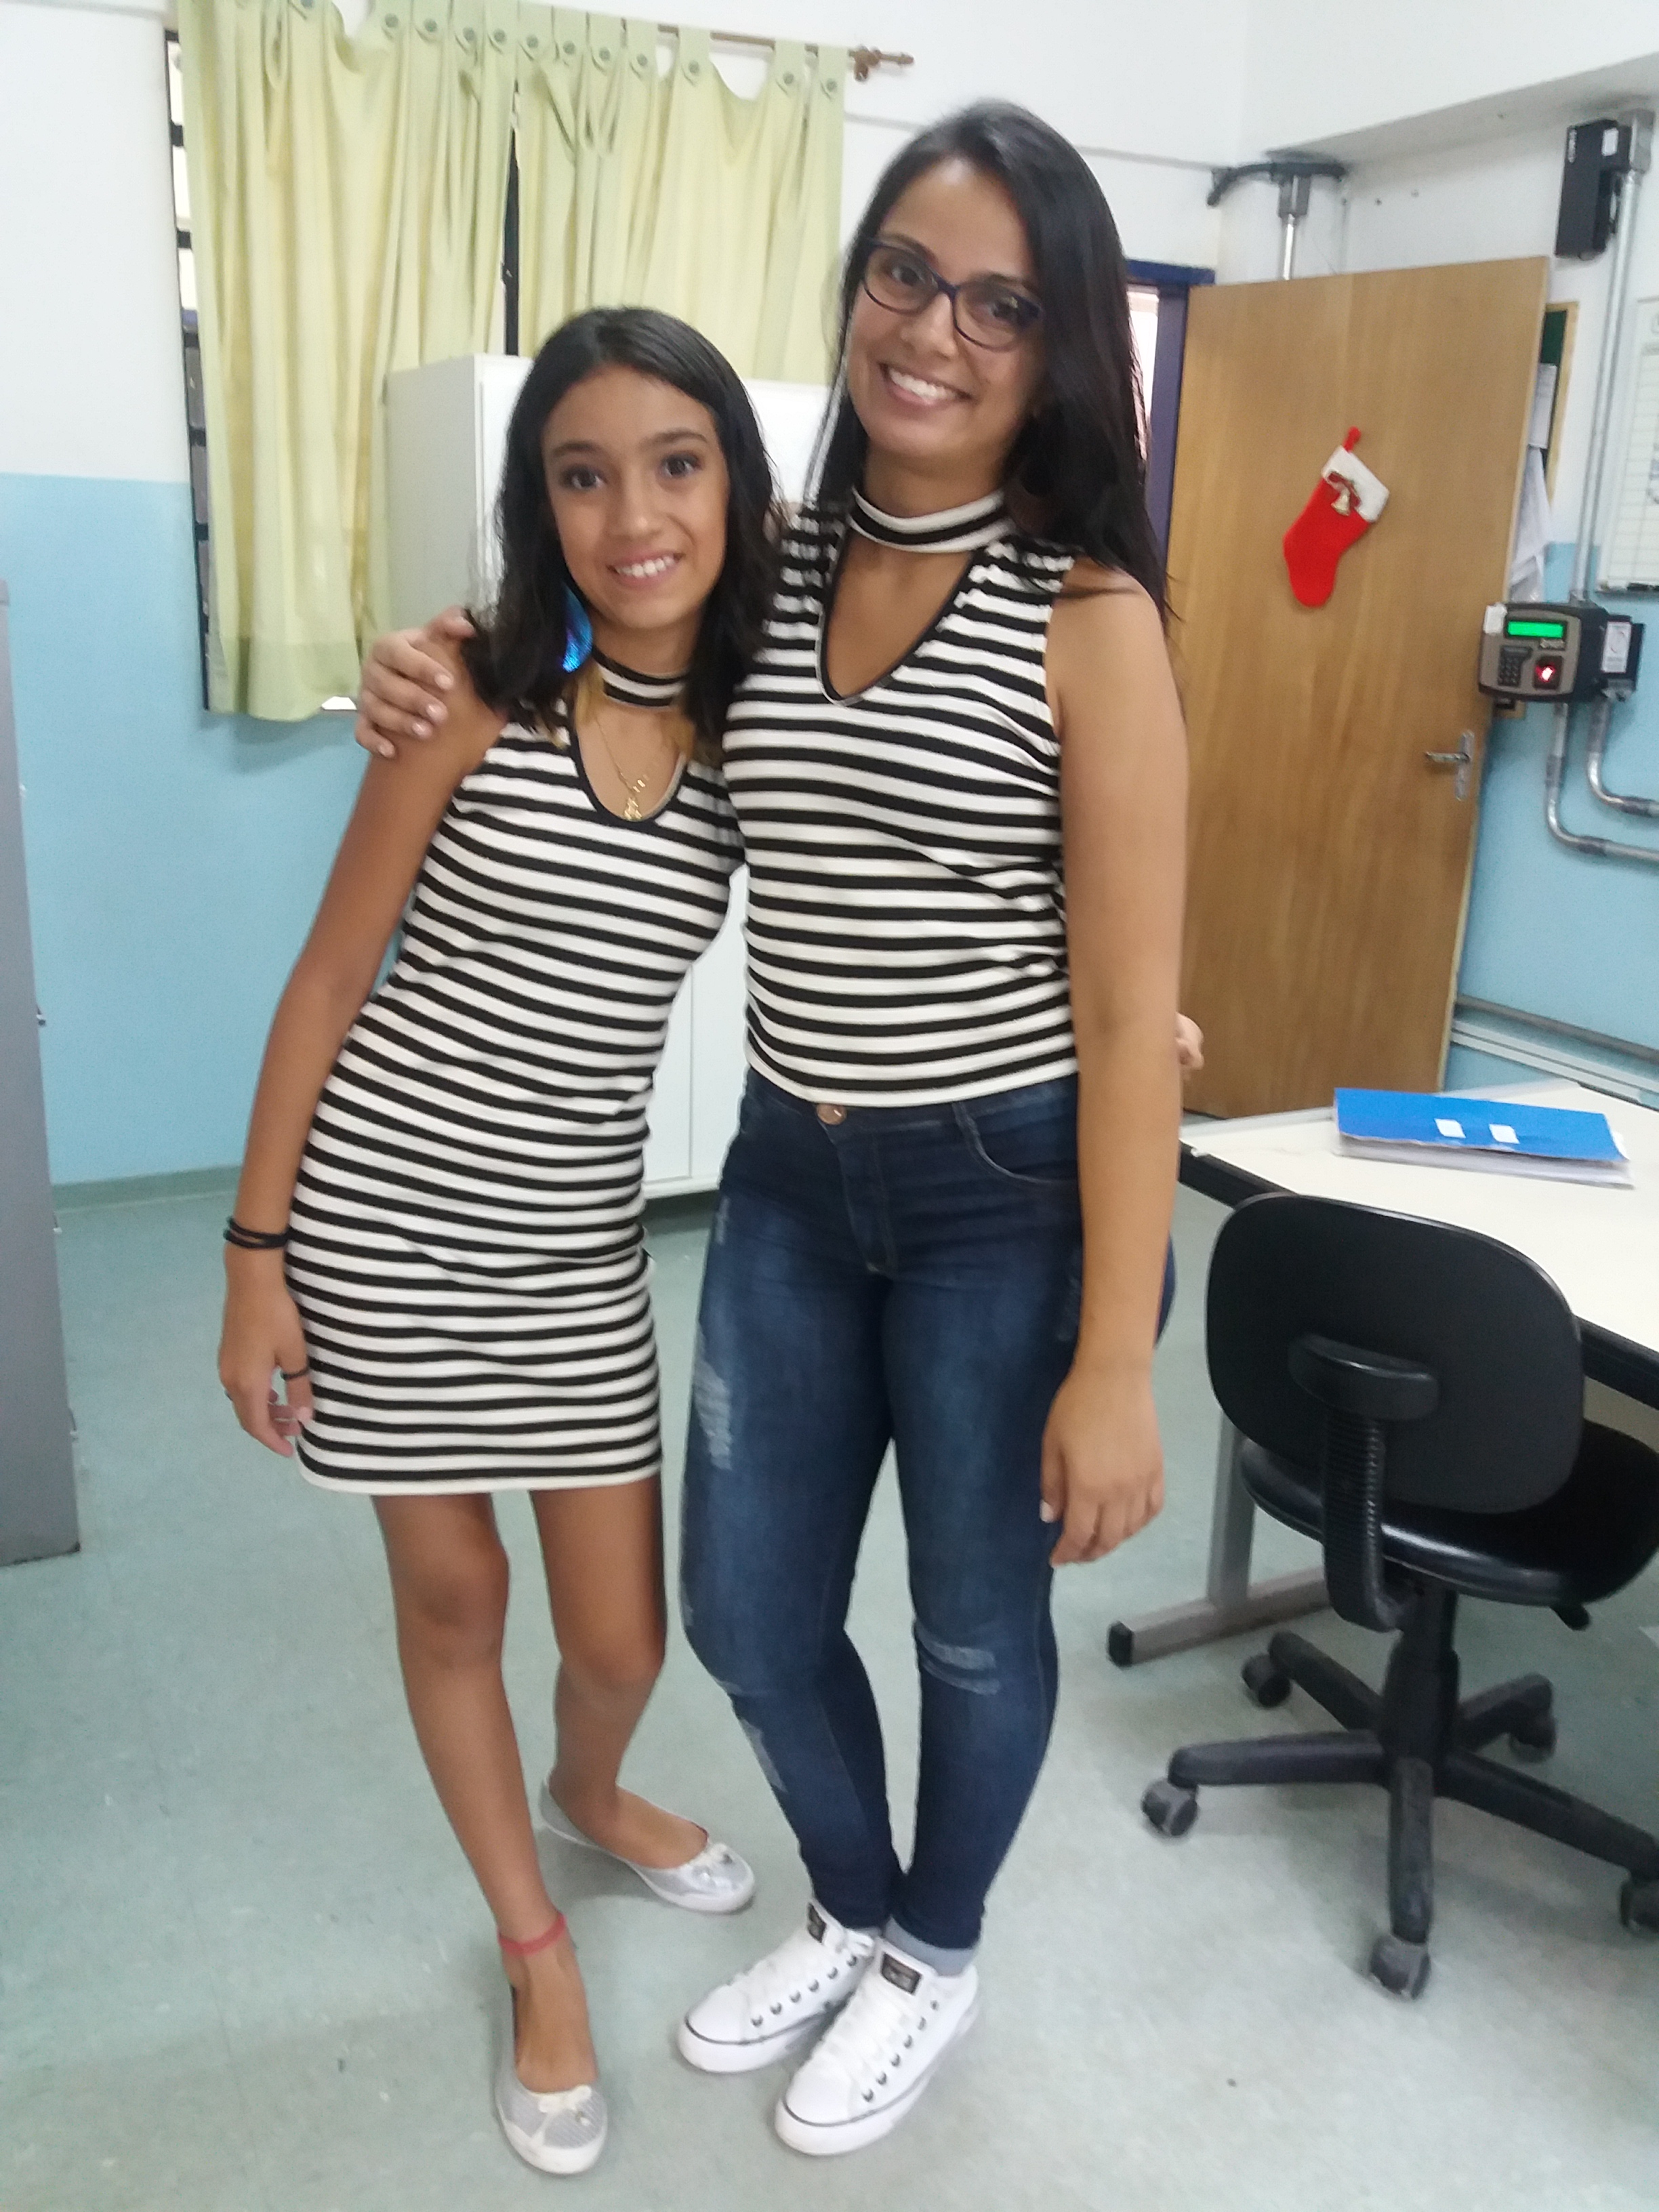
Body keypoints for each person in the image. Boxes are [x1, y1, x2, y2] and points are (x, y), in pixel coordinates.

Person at [357, 100, 1187, 2159]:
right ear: (857, 284)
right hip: (795, 1185)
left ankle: (935, 1950)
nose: (935, 330)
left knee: (973, 1623)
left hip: (1003, 1194)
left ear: (1060, 349)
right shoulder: (773, 556)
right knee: (743, 1611)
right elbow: (590, 622)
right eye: (906, 272)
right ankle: (854, 1902)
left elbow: (1124, 1006)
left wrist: (1116, 1357)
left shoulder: (1089, 614)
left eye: (1001, 304)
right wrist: (427, 662)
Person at [217, 307, 780, 2178]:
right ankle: (536, 1950)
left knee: (620, 1633)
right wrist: (253, 1256)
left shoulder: (763, 719)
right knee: (456, 1600)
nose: (636, 516)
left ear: (735, 483)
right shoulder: (466, 688)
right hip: (382, 1223)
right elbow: (329, 978)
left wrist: (1119, 999)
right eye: (583, 476)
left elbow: (927, 857)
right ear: (542, 505)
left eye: (676, 465)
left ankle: (588, 1787)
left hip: (574, 1252)